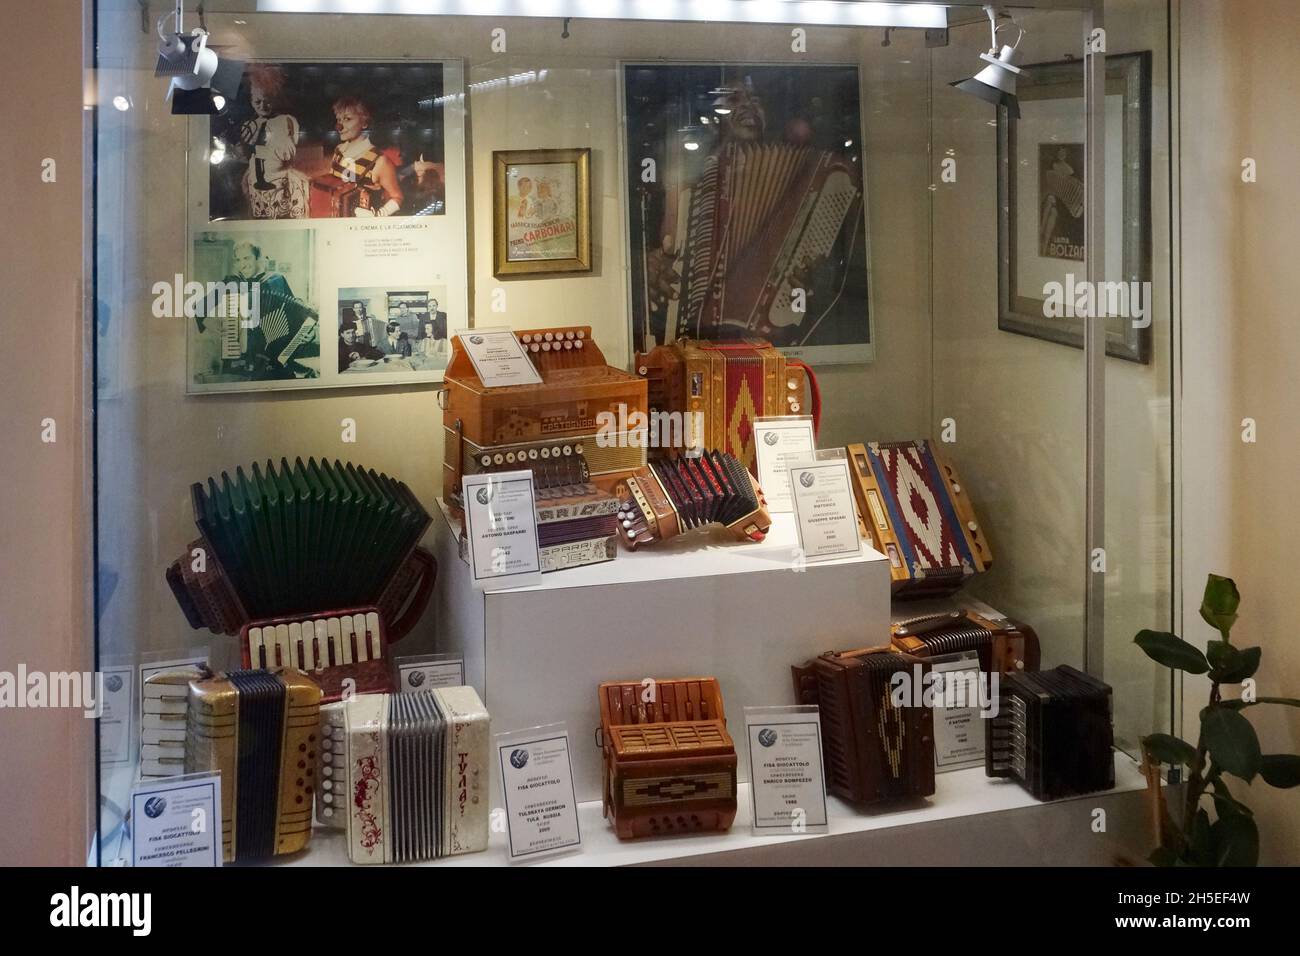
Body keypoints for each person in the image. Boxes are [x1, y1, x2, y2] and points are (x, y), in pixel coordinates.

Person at [238, 65, 309, 219]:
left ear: (276, 98)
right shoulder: (251, 124)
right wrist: (243, 146)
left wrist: (272, 139)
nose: (263, 106)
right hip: (257, 187)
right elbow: (244, 155)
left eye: (268, 101)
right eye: (257, 102)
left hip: (280, 185)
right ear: (251, 100)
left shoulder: (285, 121)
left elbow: (288, 153)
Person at [325, 96, 403, 217]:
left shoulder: (379, 161)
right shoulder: (338, 151)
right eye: (339, 120)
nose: (339, 126)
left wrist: (378, 214)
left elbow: (397, 197)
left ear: (365, 123)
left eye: (347, 119)